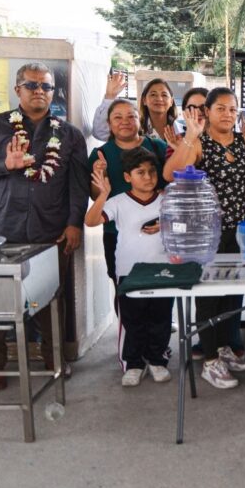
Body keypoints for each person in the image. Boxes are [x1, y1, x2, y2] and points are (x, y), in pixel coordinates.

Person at [0, 62, 88, 390]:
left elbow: (78, 185)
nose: (39, 91)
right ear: (18, 90)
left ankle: (54, 359)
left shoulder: (68, 134)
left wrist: (74, 224)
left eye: (46, 86)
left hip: (52, 231)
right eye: (32, 85)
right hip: (2, 230)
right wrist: (5, 164)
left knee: (49, 298)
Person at [164, 87, 245, 389]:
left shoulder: (244, 141)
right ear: (207, 111)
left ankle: (222, 346)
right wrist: (190, 136)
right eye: (221, 108)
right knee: (208, 297)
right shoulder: (198, 142)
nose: (228, 114)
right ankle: (208, 360)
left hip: (240, 231)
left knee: (231, 294)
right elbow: (169, 174)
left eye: (233, 109)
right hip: (207, 234)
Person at [86, 148, 173, 386]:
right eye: (140, 172)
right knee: (133, 321)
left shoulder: (166, 200)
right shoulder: (118, 202)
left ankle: (157, 359)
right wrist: (103, 195)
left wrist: (165, 225)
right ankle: (133, 363)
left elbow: (184, 225)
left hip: (163, 270)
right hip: (129, 273)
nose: (148, 177)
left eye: (152, 171)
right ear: (127, 177)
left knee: (160, 318)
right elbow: (91, 221)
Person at [88, 99, 168, 321]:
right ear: (109, 123)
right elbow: (95, 197)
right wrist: (100, 174)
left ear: (139, 120)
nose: (125, 122)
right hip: (117, 234)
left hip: (158, 234)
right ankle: (129, 335)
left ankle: (157, 336)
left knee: (161, 291)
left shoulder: (157, 147)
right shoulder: (100, 154)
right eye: (118, 117)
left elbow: (172, 183)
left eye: (131, 116)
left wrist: (167, 220)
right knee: (125, 291)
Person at [92, 74, 177, 142]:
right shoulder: (133, 126)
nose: (159, 99)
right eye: (153, 94)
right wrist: (110, 97)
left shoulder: (182, 130)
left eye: (164, 95)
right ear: (144, 100)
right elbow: (100, 133)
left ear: (171, 101)